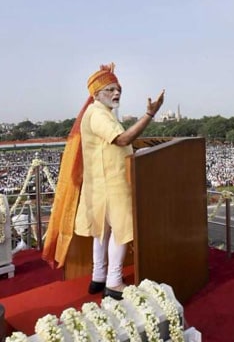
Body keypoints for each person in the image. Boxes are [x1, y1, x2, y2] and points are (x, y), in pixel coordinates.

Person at [43, 63, 164, 300]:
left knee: (103, 233)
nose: (116, 93)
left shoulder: (100, 113)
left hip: (102, 185)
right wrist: (150, 114)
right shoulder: (98, 114)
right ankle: (114, 281)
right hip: (112, 185)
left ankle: (99, 277)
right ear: (96, 94)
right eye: (110, 89)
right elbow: (123, 139)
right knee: (119, 231)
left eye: (118, 89)